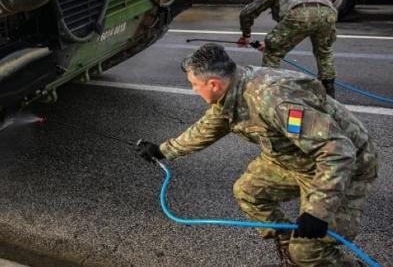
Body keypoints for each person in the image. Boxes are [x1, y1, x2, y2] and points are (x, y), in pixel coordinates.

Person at [136, 44, 378, 266]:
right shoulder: (230, 91)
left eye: (194, 84)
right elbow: (204, 130)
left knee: (307, 251)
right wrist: (162, 150)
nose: (192, 89)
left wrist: (317, 211)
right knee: (248, 192)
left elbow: (337, 151)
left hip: (344, 166)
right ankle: (289, 253)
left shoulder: (272, 100)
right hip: (293, 158)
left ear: (213, 84)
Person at [237, 0, 338, 97]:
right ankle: (329, 92)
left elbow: (247, 12)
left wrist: (246, 35)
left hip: (299, 12)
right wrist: (275, 42)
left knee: (272, 53)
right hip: (329, 13)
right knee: (324, 52)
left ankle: (270, 94)